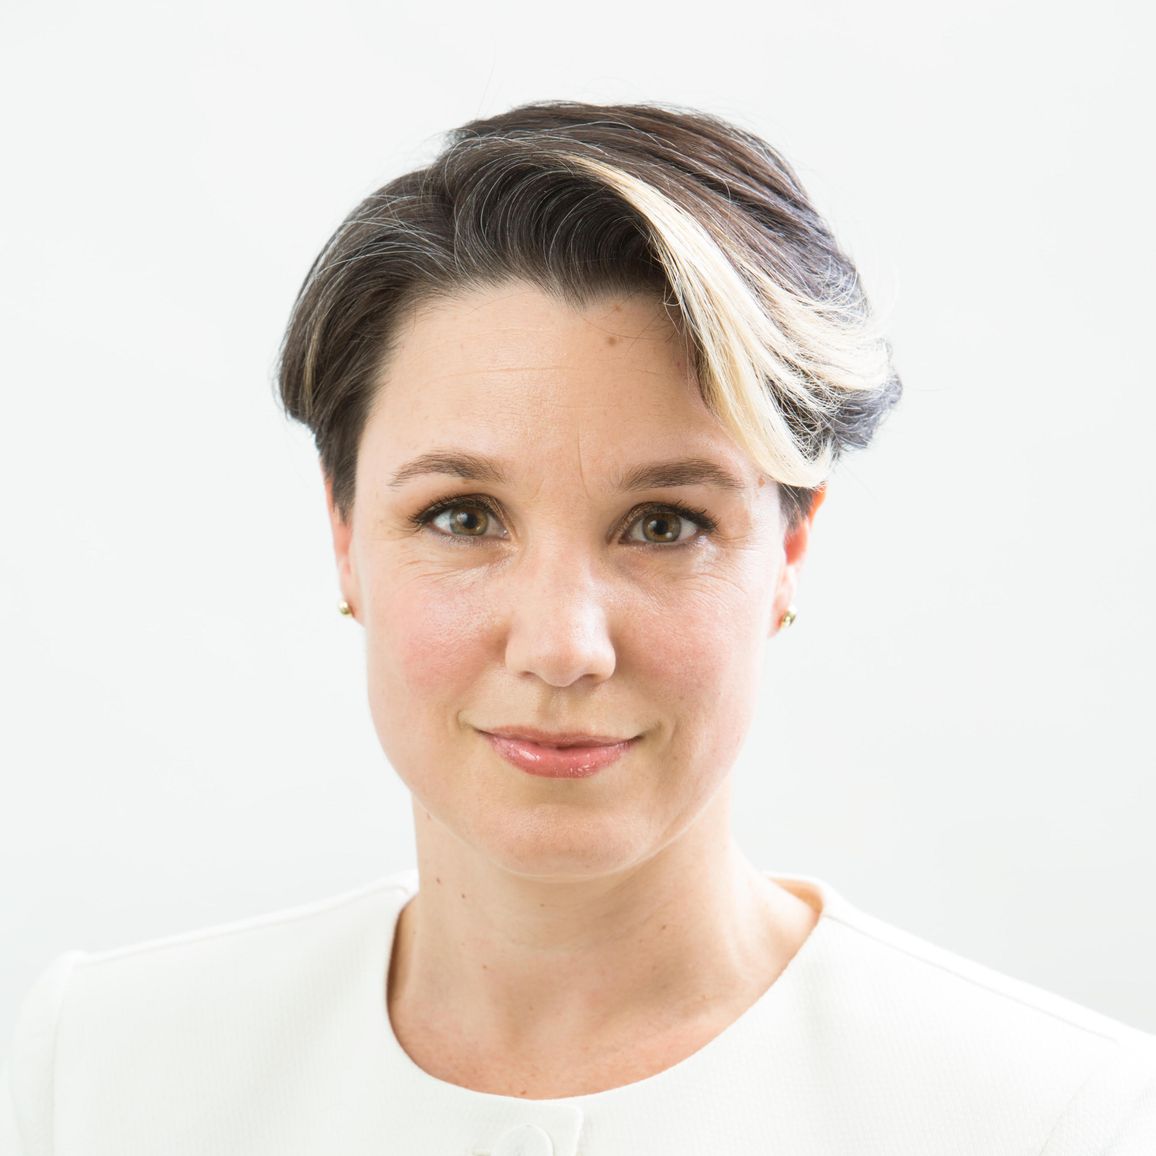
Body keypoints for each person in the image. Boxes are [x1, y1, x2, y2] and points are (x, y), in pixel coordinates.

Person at [2, 100, 1154, 1155]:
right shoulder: (98, 1073)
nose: (561, 646)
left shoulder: (1057, 1117)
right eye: (461, 515)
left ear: (788, 551)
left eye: (663, 524)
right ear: (344, 534)